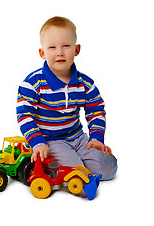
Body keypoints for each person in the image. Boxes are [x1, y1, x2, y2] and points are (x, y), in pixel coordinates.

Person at [16, 16, 117, 180]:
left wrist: (96, 138)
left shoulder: (85, 83)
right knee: (75, 171)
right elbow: (24, 115)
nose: (59, 52)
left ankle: (85, 169)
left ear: (76, 50)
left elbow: (96, 111)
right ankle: (64, 170)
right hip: (49, 141)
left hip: (78, 137)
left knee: (108, 169)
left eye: (66, 46)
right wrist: (38, 142)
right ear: (42, 53)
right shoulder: (33, 83)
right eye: (52, 47)